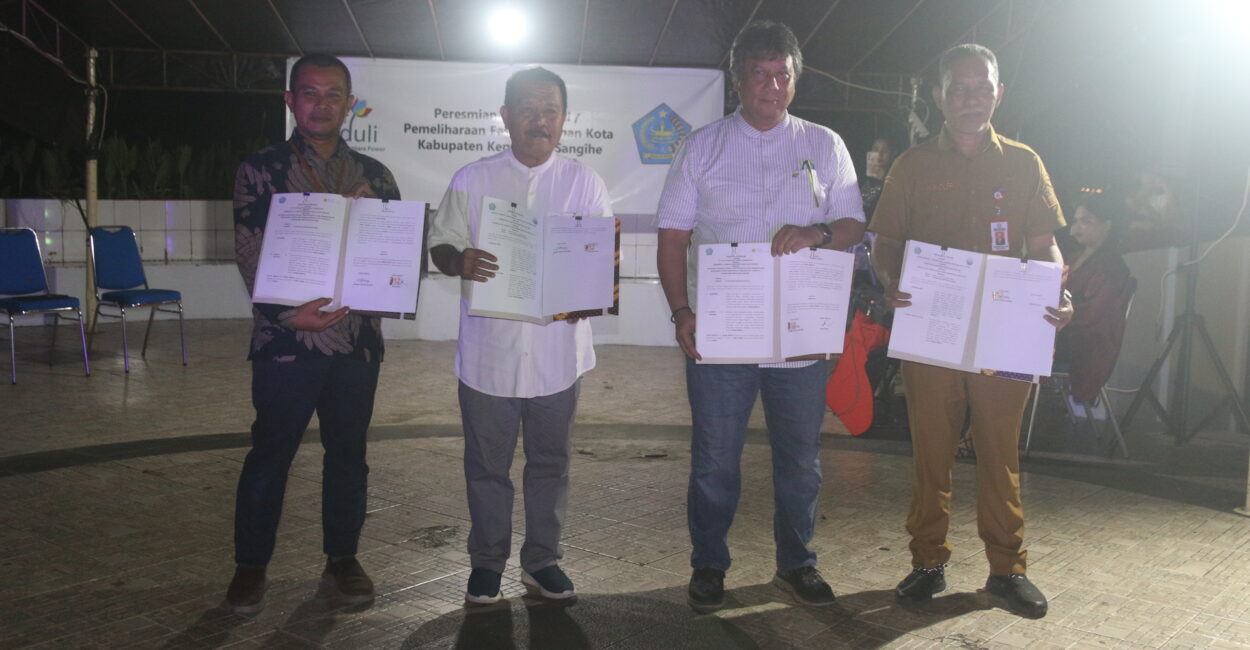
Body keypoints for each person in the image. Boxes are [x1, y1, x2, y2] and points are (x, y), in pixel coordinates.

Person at [656, 20, 866, 613]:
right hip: (722, 335)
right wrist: (681, 311)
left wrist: (817, 232)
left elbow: (853, 226)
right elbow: (672, 239)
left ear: (795, 81)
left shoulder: (825, 144)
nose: (772, 86)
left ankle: (796, 563)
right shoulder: (703, 146)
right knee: (715, 460)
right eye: (760, 74)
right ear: (737, 80)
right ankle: (709, 564)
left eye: (783, 75)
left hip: (800, 338)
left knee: (800, 460)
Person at [869, 43, 1073, 619]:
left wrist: (1056, 288)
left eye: (981, 87)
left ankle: (1008, 569)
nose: (970, 99)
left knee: (999, 452)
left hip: (1005, 330)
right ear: (939, 97)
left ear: (998, 94)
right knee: (931, 451)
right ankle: (927, 562)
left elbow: (1044, 246)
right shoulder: (912, 166)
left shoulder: (1025, 163)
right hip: (931, 330)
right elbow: (886, 241)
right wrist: (890, 279)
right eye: (958, 89)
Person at [428, 67, 613, 606]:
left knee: (551, 464)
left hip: (559, 355)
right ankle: (487, 564)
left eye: (550, 110)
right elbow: (441, 244)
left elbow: (598, 259)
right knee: (487, 468)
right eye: (528, 109)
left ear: (564, 118)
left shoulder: (585, 182)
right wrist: (458, 261)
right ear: (506, 116)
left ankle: (542, 560)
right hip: (489, 356)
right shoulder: (472, 179)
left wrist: (587, 289)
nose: (540, 120)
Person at [227, 53, 401, 614]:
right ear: (290, 100)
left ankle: (343, 558)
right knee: (270, 455)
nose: (321, 105)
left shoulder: (376, 176)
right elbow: (249, 249)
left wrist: (379, 223)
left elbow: (398, 255)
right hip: (286, 343)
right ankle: (250, 566)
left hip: (355, 343)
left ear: (350, 104)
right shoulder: (261, 170)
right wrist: (286, 317)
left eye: (332, 95)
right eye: (309, 93)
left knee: (348, 456)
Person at [1056, 191, 1133, 403]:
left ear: (1107, 225)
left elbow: (1090, 316)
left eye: (1086, 221)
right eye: (1076, 221)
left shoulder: (1111, 267)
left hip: (1082, 345)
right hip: (1062, 334)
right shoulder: (1074, 256)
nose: (1076, 228)